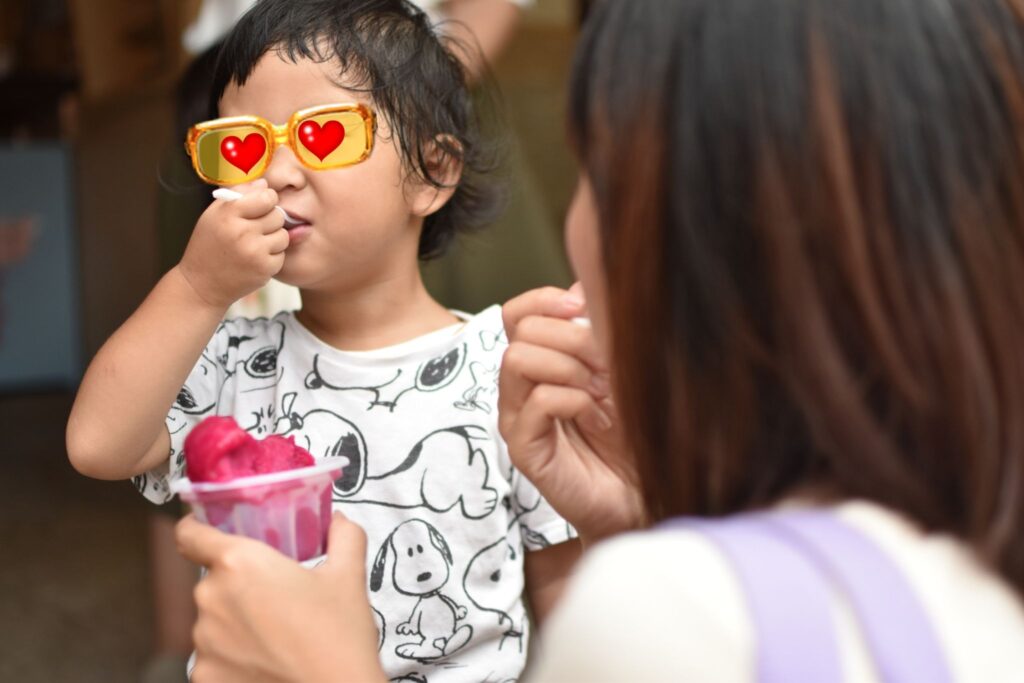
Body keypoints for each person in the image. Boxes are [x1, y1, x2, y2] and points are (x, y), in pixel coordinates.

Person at [174, 0, 1024, 680]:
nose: (576, 224)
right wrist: (638, 522)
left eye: (598, 172)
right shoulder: (984, 589)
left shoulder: (669, 616)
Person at [65, 1, 581, 681]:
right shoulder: (232, 360)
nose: (276, 173)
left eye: (323, 135)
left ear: (432, 171)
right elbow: (97, 444)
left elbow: (562, 589)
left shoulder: (504, 368)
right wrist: (195, 288)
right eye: (244, 146)